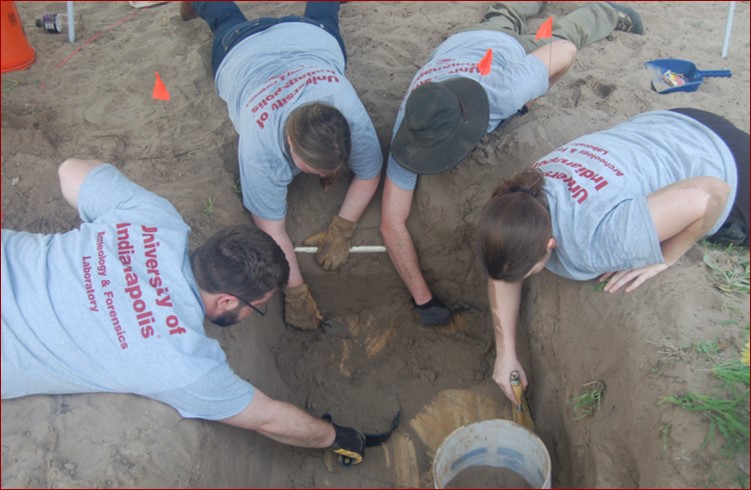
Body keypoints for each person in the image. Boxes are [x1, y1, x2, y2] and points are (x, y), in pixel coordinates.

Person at [1, 158, 368, 465]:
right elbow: (268, 418)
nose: (260, 310)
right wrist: (336, 436)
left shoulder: (156, 218)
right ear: (227, 301)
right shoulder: (180, 361)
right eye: (259, 307)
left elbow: (70, 171)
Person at [380, 2, 644, 326]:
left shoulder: (501, 93)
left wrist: (533, 98)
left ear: (467, 124)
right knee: (501, 17)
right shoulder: (413, 131)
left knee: (562, 33)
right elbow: (391, 221)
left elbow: (565, 51)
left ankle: (606, 12)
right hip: (461, 42)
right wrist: (424, 299)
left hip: (511, 51)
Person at [476, 109, 749, 403]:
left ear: (551, 244)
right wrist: (506, 355)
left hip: (726, 164)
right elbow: (506, 266)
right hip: (675, 122)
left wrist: (665, 258)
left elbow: (711, 194)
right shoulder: (524, 193)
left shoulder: (598, 242)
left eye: (529, 272)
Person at [181, 2, 383, 331]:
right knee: (224, 19)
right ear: (290, 146)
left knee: (323, 15)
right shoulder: (260, 149)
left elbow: (369, 172)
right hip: (240, 48)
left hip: (310, 37)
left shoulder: (347, 111)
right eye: (314, 169)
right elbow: (272, 230)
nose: (320, 176)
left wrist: (343, 228)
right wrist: (296, 293)